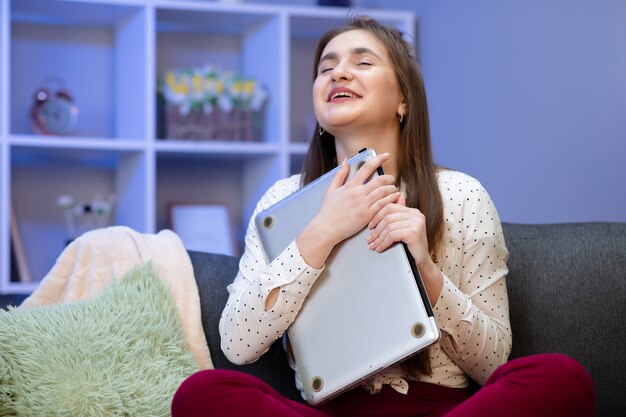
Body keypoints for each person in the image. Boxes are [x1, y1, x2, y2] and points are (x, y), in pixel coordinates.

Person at [172, 16, 595, 417]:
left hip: (443, 407)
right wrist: (320, 233)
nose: (338, 74)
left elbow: (492, 363)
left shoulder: (461, 195)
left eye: (362, 62)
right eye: (326, 68)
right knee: (201, 394)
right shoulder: (282, 201)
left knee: (561, 377)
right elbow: (237, 344)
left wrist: (427, 273)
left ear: (403, 100)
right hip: (329, 409)